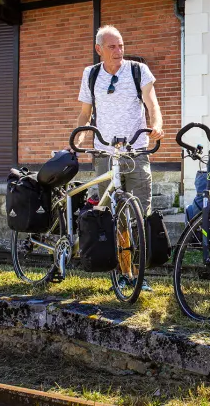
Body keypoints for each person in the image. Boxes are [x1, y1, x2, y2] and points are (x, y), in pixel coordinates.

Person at [76, 25, 165, 291]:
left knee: (140, 212)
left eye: (121, 46)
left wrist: (156, 125)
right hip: (105, 154)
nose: (118, 51)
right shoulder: (91, 75)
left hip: (136, 152)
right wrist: (78, 138)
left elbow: (152, 104)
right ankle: (125, 272)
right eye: (112, 47)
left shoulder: (138, 70)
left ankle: (140, 272)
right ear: (99, 49)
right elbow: (85, 113)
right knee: (116, 217)